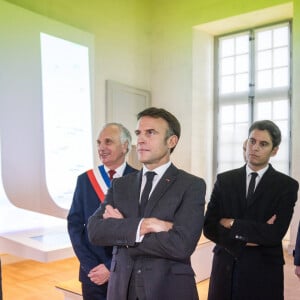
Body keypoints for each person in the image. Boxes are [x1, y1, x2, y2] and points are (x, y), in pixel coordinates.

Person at [87, 107, 206, 300]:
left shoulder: (191, 185)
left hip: (168, 289)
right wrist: (147, 225)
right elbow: (95, 230)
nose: (140, 139)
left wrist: (123, 230)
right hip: (121, 289)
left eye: (150, 133)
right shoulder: (120, 185)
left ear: (171, 141)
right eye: (138, 133)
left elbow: (181, 245)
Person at [203, 120, 299, 300]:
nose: (255, 148)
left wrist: (232, 223)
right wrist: (254, 234)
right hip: (226, 266)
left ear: (275, 150)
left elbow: (275, 234)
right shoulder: (225, 180)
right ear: (246, 143)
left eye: (263, 144)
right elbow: (209, 227)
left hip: (264, 271)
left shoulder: (286, 186)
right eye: (252, 141)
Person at [67, 123, 138, 300]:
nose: (101, 148)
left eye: (108, 142)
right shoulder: (85, 180)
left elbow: (138, 229)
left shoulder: (140, 180)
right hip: (93, 274)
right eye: (99, 143)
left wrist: (110, 266)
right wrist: (90, 265)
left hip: (127, 271)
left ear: (125, 146)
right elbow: (74, 226)